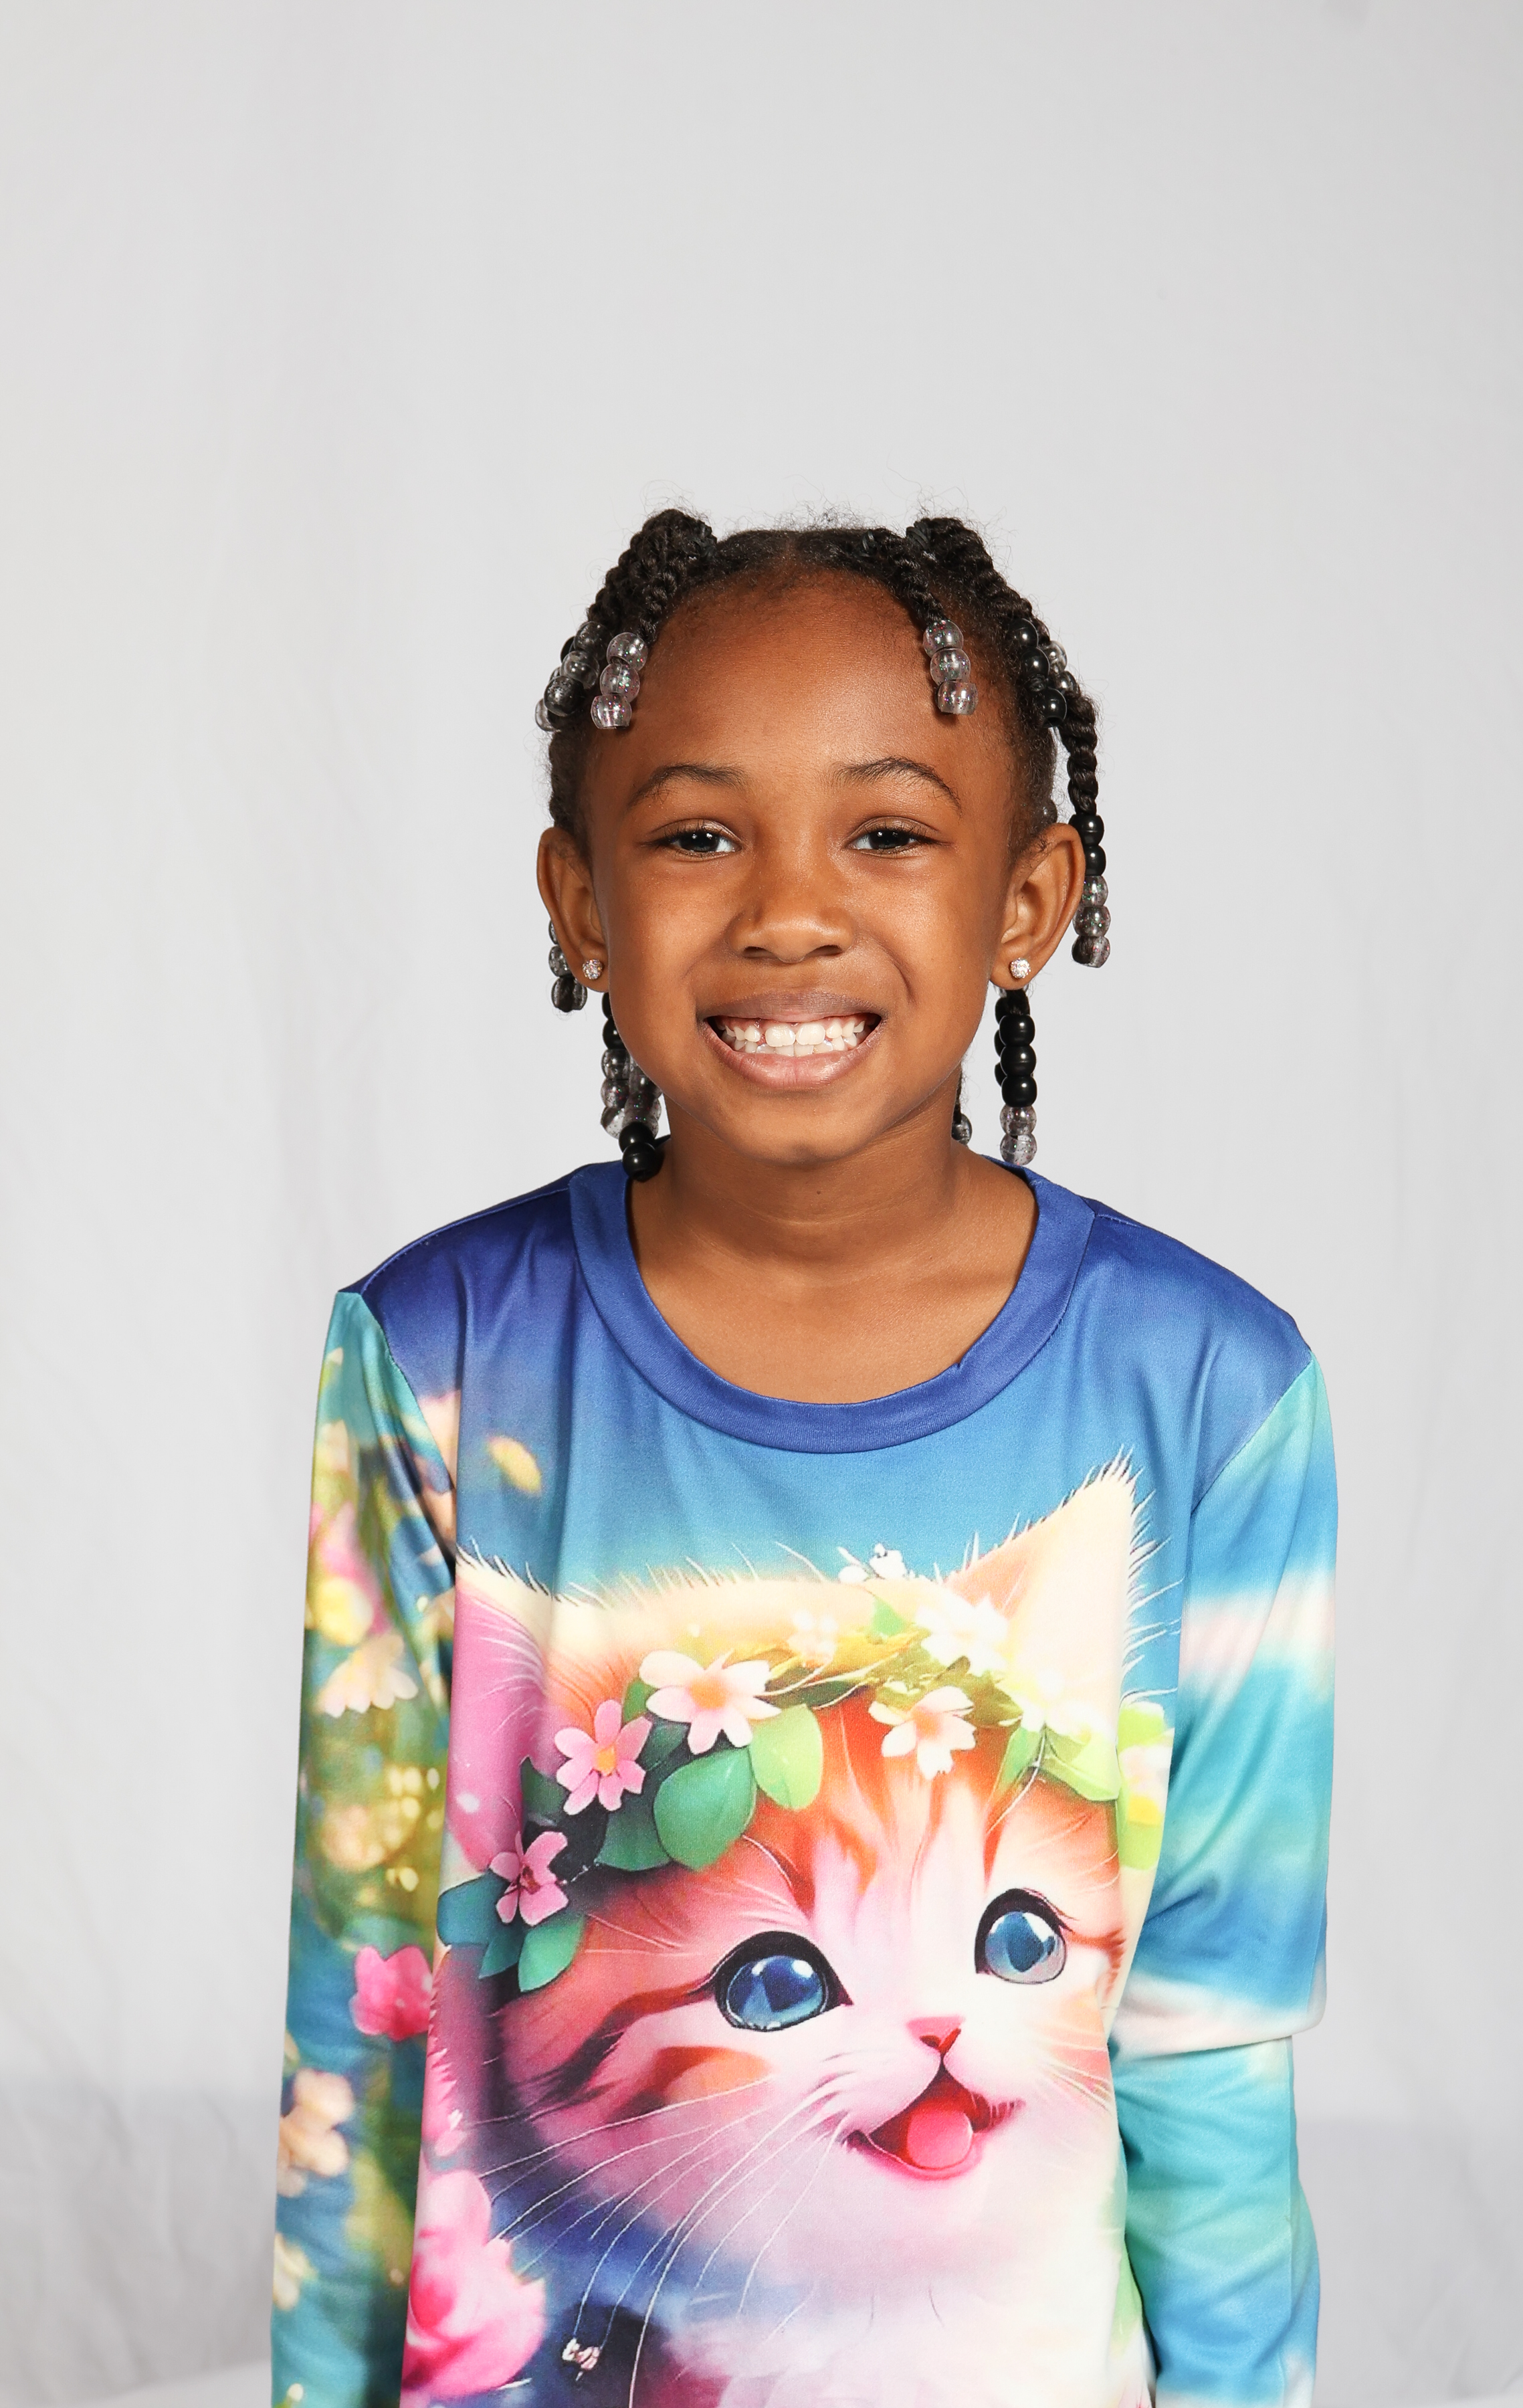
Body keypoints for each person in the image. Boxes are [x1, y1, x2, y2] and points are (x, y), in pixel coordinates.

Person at [272, 512, 1336, 2408]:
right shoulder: (438, 1359)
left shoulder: (1210, 1391)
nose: (786, 910)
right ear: (578, 901)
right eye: (698, 835)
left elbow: (1207, 2048)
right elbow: (365, 2017)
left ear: (1030, 898)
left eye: (889, 833)